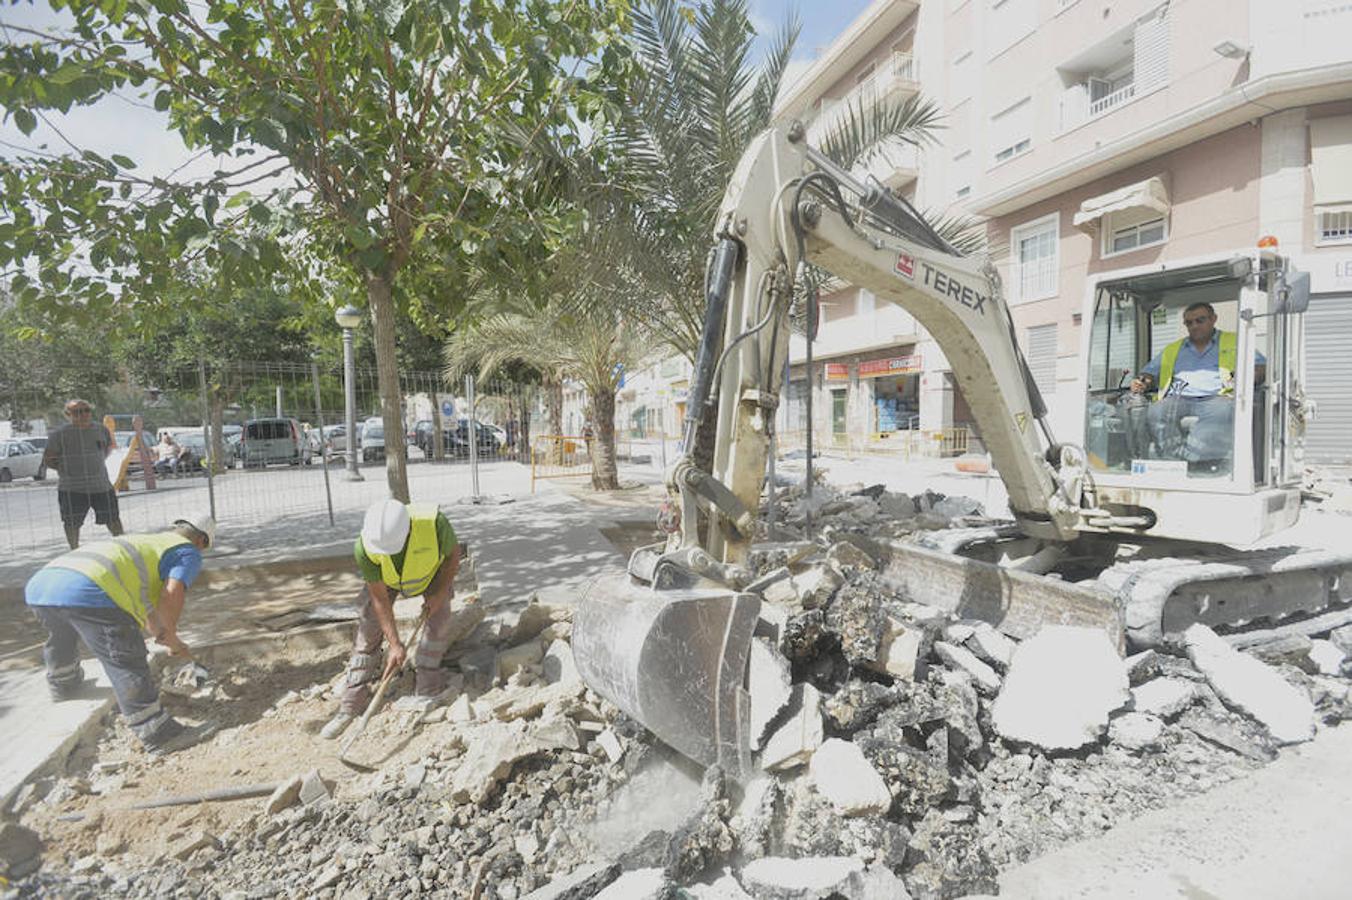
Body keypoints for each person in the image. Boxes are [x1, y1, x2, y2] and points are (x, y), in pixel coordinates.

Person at [24, 511, 218, 756]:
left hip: (42, 584)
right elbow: (172, 594)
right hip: (88, 588)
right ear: (201, 540)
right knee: (125, 655)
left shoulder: (148, 546)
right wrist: (171, 635)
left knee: (62, 634)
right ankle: (158, 734)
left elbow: (150, 612)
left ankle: (64, 683)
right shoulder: (185, 551)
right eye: (204, 547)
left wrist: (169, 639)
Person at [320, 498, 463, 739]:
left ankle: (427, 691)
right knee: (368, 629)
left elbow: (453, 557)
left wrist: (439, 593)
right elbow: (379, 600)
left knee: (438, 624)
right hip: (388, 582)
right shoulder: (365, 546)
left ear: (407, 532)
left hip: (432, 575)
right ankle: (351, 703)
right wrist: (395, 644)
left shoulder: (435, 523)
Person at [1129, 301, 1266, 464]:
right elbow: (1149, 372)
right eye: (1189, 323)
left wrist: (1251, 376)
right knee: (1156, 411)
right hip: (1179, 398)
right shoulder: (1173, 348)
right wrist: (1143, 382)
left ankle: (1194, 461)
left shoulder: (1234, 341)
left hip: (1217, 397)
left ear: (1213, 319)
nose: (1194, 326)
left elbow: (1260, 366)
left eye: (1200, 320)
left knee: (1221, 411)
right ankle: (1171, 461)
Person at [42, 398, 123, 549]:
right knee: (72, 522)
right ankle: (74, 550)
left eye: (86, 410)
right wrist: (66, 470)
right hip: (72, 488)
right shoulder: (59, 434)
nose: (84, 414)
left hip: (101, 486)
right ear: (68, 414)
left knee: (113, 519)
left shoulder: (101, 429)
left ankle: (124, 546)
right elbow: (49, 459)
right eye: (78, 412)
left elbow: (105, 450)